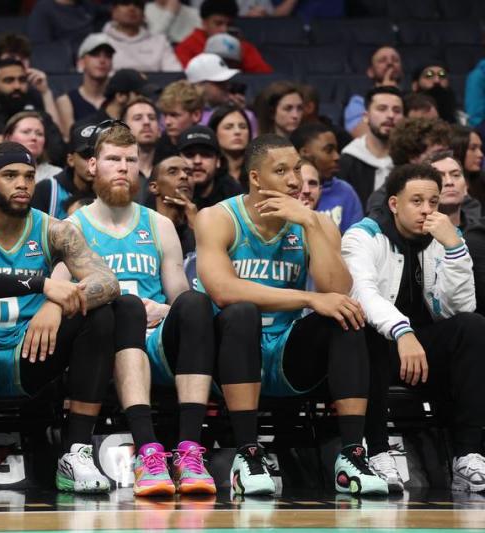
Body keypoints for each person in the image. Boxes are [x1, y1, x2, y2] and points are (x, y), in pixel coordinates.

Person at [195, 134, 387, 496]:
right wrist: (308, 299)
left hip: (286, 357)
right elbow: (223, 290)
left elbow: (337, 289)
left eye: (297, 168)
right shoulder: (217, 218)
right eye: (281, 171)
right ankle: (248, 454)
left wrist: (313, 226)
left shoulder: (316, 223)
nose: (294, 180)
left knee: (346, 315)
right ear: (255, 178)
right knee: (241, 312)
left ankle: (352, 455)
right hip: (228, 357)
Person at [0, 141, 121, 497]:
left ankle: (75, 453)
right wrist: (42, 284)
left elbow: (107, 281)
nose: (22, 184)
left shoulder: (54, 229)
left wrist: (57, 304)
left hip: (30, 354)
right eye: (10, 176)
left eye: (29, 176)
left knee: (101, 313)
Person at [58, 122, 217, 495]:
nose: (123, 167)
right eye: (113, 159)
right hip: (103, 346)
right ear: (93, 165)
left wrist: (164, 309)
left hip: (156, 340)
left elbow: (178, 290)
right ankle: (148, 451)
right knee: (126, 307)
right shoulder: (71, 227)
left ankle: (189, 453)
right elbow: (64, 295)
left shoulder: (159, 225)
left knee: (195, 303)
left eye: (130, 160)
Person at [342, 163, 485, 494]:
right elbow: (362, 294)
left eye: (433, 202)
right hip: (379, 349)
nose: (426, 210)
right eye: (416, 201)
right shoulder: (363, 236)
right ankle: (377, 452)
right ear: (394, 204)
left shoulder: (444, 237)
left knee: (473, 328)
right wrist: (402, 332)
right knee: (365, 329)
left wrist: (455, 249)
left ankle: (467, 455)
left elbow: (460, 309)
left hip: (424, 352)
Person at [0, 58, 66, 168]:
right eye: (9, 80)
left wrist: (3, 144)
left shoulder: (40, 117)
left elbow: (59, 153)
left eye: (22, 80)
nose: (17, 86)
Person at [364, 117, 452, 214]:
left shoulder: (452, 186)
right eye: (438, 154)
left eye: (447, 154)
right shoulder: (382, 200)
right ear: (413, 156)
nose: (446, 160)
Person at [290, 123, 363, 233]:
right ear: (304, 152)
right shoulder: (286, 190)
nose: (337, 157)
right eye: (329, 150)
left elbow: (357, 239)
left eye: (313, 184)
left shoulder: (345, 191)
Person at [339, 87, 403, 208]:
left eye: (397, 110)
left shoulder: (408, 160)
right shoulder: (347, 161)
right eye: (382, 109)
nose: (390, 115)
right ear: (365, 116)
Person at [175, 0, 272, 73]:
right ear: (204, 23)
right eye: (218, 23)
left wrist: (240, 53)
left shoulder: (242, 46)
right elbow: (183, 80)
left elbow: (264, 76)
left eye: (229, 24)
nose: (224, 29)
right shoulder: (187, 47)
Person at [32, 120, 97, 221]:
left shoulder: (114, 191)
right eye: (86, 156)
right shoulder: (47, 190)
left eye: (98, 155)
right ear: (71, 160)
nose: (93, 163)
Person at [55, 34, 114, 139]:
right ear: (81, 62)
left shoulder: (118, 99)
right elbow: (71, 140)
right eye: (95, 54)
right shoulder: (66, 101)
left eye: (108, 55)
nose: (102, 60)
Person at [101, 0, 182, 73]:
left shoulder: (160, 41)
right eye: (125, 3)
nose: (132, 8)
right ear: (113, 11)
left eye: (138, 4)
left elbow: (174, 73)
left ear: (144, 15)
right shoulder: (100, 40)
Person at [343, 46, 402, 138]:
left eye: (395, 60)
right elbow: (362, 136)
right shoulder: (358, 102)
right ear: (370, 72)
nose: (390, 63)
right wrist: (386, 92)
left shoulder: (413, 99)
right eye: (382, 60)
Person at [178, 125, 241, 209]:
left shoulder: (233, 196)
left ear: (218, 161)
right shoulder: (167, 190)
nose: (197, 161)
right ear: (178, 159)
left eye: (205, 155)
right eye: (190, 155)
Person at [149, 144, 197, 256]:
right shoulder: (144, 229)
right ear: (154, 187)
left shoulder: (204, 223)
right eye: (173, 172)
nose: (184, 176)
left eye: (188, 173)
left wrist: (196, 222)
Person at [3, 111, 62, 183]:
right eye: (26, 132)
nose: (34, 137)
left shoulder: (57, 175)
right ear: (8, 138)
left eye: (39, 134)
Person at [122, 97, 162, 202]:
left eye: (152, 118)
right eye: (138, 118)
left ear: (159, 130)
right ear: (124, 130)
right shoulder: (118, 171)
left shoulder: (168, 170)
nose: (146, 122)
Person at [208, 105, 250, 188]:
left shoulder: (259, 170)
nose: (237, 132)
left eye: (243, 127)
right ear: (214, 132)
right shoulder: (208, 174)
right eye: (228, 127)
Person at [27, 0, 99, 48]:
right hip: (65, 64)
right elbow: (40, 48)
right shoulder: (44, 8)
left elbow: (106, 12)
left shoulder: (87, 5)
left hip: (95, 56)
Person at [158, 80, 204, 146]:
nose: (167, 122)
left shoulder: (211, 147)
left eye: (174, 115)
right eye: (165, 115)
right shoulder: (156, 147)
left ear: (196, 115)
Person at [452, 125, 485, 206]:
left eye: (480, 149)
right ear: (457, 150)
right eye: (473, 148)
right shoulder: (446, 185)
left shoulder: (482, 181)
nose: (480, 154)